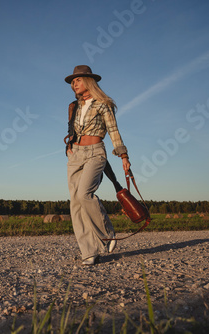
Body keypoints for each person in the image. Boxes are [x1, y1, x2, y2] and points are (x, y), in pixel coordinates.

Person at [64, 65, 131, 265]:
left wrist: (123, 155)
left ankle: (107, 233)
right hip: (75, 154)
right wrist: (69, 147)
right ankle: (89, 252)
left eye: (78, 80)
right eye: (73, 81)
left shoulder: (103, 104)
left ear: (89, 81)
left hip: (95, 153)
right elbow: (71, 130)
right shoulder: (73, 106)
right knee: (75, 203)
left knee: (85, 194)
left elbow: (113, 131)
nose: (75, 84)